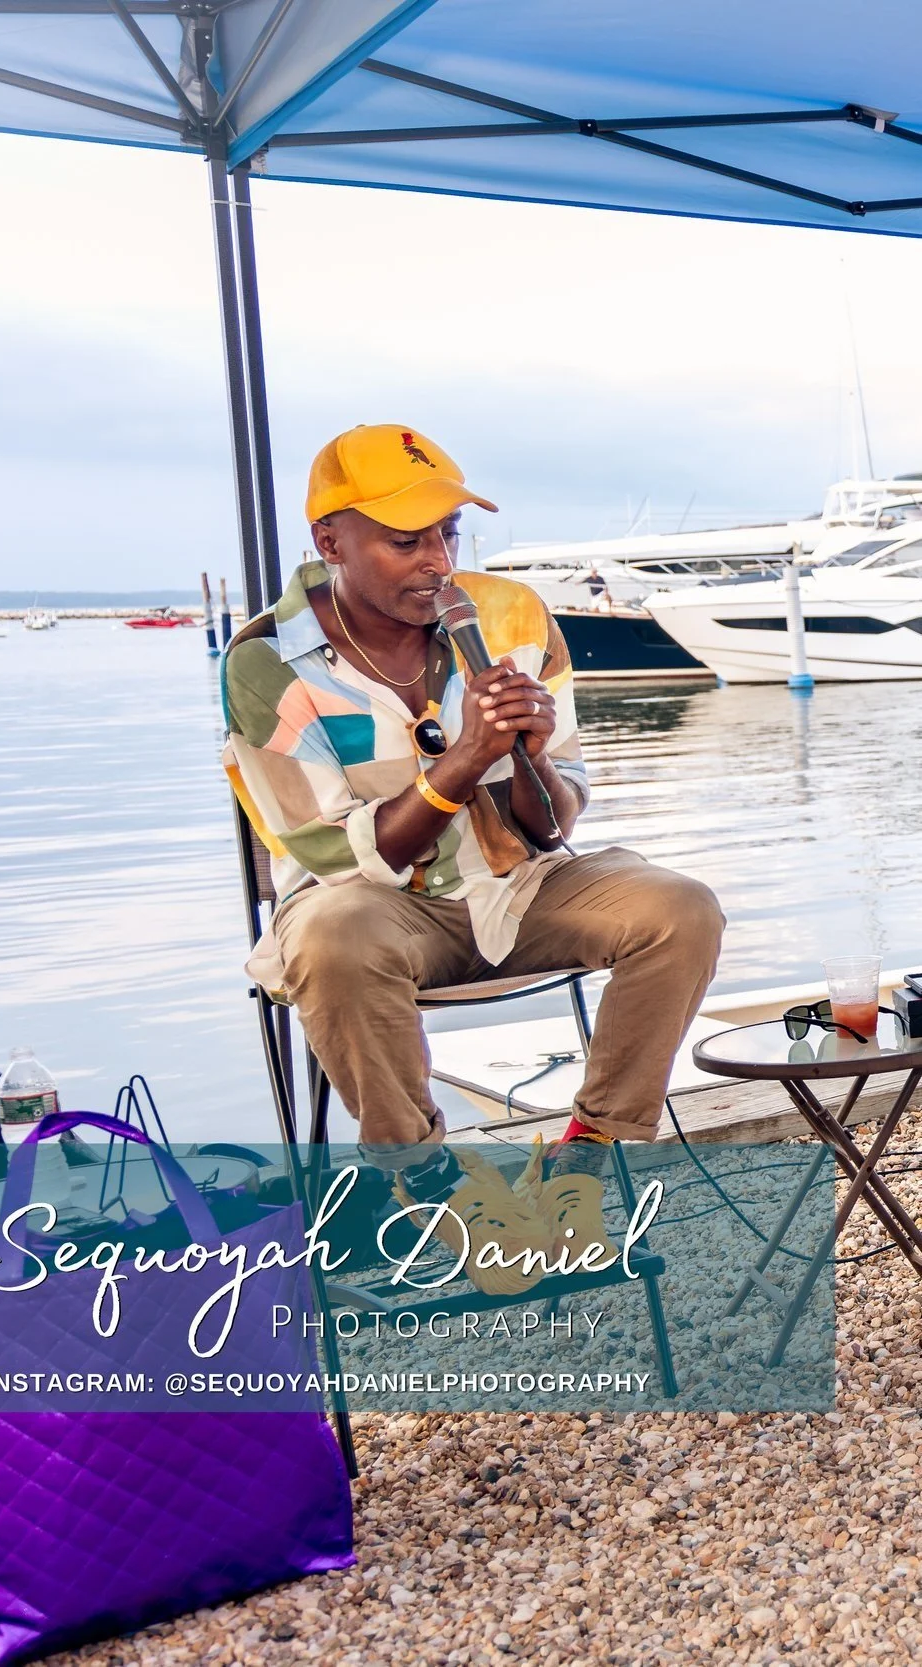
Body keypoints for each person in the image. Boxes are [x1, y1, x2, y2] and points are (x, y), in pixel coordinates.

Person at [222, 424, 724, 1294]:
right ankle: (430, 1187)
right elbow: (339, 856)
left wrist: (526, 749)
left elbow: (552, 824)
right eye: (406, 539)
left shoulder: (512, 617)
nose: (437, 562)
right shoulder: (267, 661)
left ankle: (585, 1163)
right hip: (371, 908)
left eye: (448, 533)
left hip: (515, 886)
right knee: (331, 937)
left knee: (678, 907)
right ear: (329, 542)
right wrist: (461, 760)